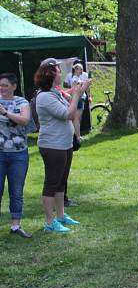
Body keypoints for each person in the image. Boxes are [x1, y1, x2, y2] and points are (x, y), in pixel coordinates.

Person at [34, 58, 90, 232]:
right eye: (58, 71)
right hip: (52, 146)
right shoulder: (44, 97)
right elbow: (69, 114)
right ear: (51, 75)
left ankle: (60, 216)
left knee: (61, 182)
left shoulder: (54, 92)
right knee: (52, 183)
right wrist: (77, 95)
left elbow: (69, 101)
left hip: (64, 144)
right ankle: (50, 222)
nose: (61, 74)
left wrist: (77, 91)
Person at [0, 73, 32, 237]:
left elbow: (25, 120)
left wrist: (5, 113)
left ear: (14, 86)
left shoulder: (21, 102)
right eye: (0, 85)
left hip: (18, 154)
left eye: (5, 85)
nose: (2, 88)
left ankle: (15, 226)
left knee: (16, 191)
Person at [64, 62, 89, 143]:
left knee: (77, 119)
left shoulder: (77, 78)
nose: (82, 70)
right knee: (77, 119)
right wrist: (84, 85)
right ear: (76, 70)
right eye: (80, 69)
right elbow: (75, 89)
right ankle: (77, 137)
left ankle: (77, 136)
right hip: (78, 99)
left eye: (82, 69)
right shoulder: (75, 78)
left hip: (79, 98)